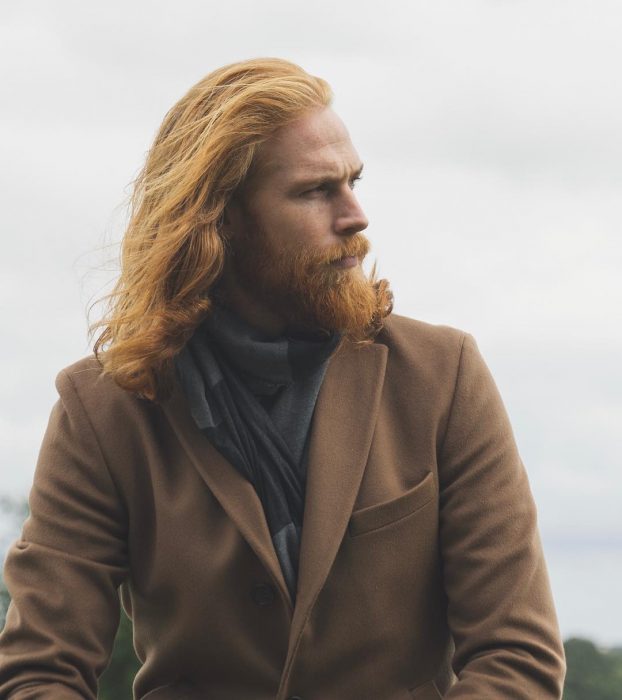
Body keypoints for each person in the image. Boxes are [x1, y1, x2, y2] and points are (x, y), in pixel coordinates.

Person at [0, 58, 565, 699]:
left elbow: (515, 658)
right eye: (315, 191)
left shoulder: (441, 377)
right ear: (219, 221)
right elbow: (40, 674)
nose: (356, 216)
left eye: (353, 181)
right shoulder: (104, 409)